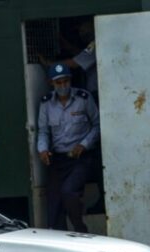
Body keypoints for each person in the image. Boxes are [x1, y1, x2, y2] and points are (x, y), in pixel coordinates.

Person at [38, 63, 100, 233]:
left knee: (69, 192)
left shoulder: (84, 98)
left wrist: (84, 144)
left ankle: (81, 230)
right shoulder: (46, 104)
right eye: (59, 83)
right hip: (58, 158)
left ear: (70, 80)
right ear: (52, 83)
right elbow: (43, 131)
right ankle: (62, 238)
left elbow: (97, 125)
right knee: (54, 202)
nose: (63, 86)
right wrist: (42, 150)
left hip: (81, 157)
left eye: (66, 81)